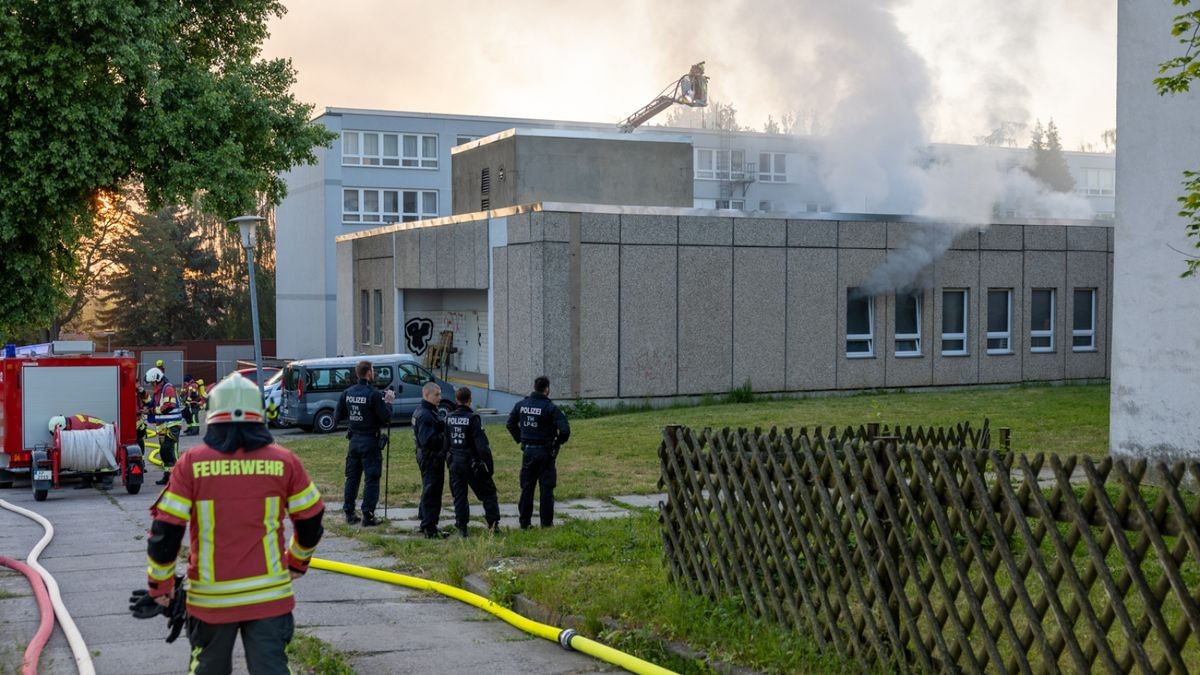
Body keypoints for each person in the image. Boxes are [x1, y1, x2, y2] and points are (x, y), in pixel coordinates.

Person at [141, 373, 324, 674]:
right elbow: (311, 517)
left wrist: (160, 583)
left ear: (212, 417)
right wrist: (297, 562)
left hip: (211, 600)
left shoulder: (192, 463)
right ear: (259, 416)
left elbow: (167, 529)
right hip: (270, 597)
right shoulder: (284, 461)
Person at [334, 360, 395, 527]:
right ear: (369, 373)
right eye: (373, 371)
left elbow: (337, 416)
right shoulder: (373, 394)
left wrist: (355, 419)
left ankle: (349, 512)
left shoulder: (347, 393)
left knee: (352, 478)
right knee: (372, 478)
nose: (374, 373)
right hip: (370, 441)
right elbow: (386, 417)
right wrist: (389, 402)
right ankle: (368, 515)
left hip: (354, 440)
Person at [506, 376, 571, 529]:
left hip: (528, 452)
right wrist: (557, 442)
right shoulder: (550, 407)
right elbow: (565, 430)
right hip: (546, 453)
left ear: (535, 387)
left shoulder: (521, 405)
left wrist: (521, 439)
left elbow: (510, 424)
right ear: (547, 389)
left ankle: (525, 523)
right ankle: (546, 524)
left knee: (527, 488)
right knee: (546, 489)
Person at [444, 387, 500, 537]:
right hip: (472, 464)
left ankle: (462, 528)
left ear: (457, 400)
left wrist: (448, 461)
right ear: (470, 400)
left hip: (455, 463)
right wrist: (490, 467)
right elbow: (482, 447)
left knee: (460, 496)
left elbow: (446, 443)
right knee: (489, 493)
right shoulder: (473, 418)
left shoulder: (448, 418)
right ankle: (493, 526)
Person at [412, 382, 448, 538]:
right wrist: (445, 436)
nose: (439, 398)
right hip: (431, 457)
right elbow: (428, 439)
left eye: (440, 394)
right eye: (436, 395)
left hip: (425, 455)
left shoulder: (422, 411)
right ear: (427, 395)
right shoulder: (426, 414)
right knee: (432, 492)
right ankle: (430, 528)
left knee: (428, 489)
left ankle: (425, 521)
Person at [145, 366, 184, 485]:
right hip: (162, 426)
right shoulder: (159, 391)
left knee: (168, 450)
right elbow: (152, 403)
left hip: (172, 425)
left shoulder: (168, 388)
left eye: (152, 382)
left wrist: (152, 411)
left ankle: (179, 477)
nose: (152, 385)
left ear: (157, 379)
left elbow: (169, 405)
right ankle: (167, 476)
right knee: (163, 453)